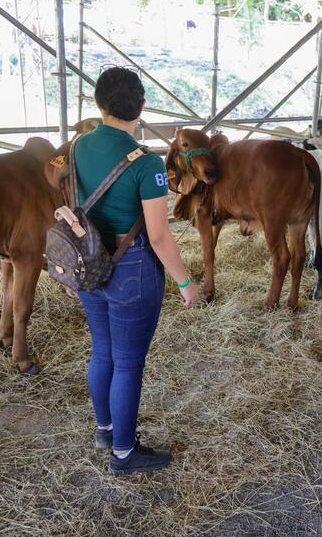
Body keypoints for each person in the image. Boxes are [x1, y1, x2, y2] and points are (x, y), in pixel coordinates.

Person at [75, 67, 199, 475]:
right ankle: (125, 455)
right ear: (141, 107)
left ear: (99, 103)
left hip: (88, 262)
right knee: (128, 364)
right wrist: (184, 282)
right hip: (132, 270)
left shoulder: (77, 146)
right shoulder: (147, 165)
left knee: (103, 351)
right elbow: (161, 237)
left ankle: (105, 430)